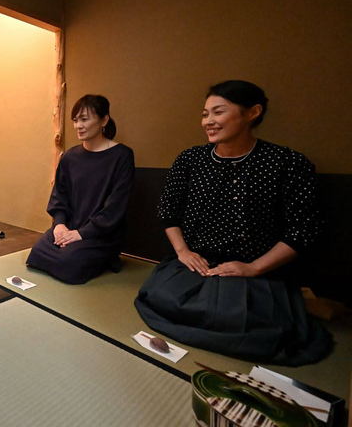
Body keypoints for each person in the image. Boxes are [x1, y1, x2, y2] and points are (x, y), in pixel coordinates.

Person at [134, 80, 332, 365]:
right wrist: (183, 252)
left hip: (256, 268)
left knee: (247, 321)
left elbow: (303, 230)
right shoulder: (191, 159)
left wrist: (253, 268)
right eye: (205, 114)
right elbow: (168, 211)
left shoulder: (286, 162)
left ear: (252, 113)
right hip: (196, 262)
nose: (209, 121)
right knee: (161, 299)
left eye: (219, 112)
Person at [25, 94, 135, 284]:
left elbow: (115, 206)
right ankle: (72, 249)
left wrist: (81, 234)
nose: (78, 126)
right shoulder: (70, 157)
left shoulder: (122, 156)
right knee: (36, 255)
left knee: (69, 264)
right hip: (69, 227)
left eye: (85, 119)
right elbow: (60, 195)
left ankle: (101, 258)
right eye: (75, 120)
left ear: (104, 120)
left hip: (100, 234)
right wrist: (60, 224)